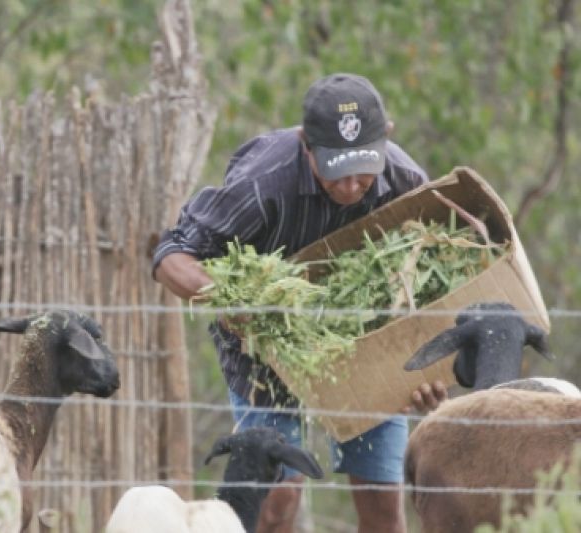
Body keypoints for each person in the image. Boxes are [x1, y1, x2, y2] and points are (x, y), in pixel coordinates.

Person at [152, 73, 448, 533]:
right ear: (305, 144)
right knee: (278, 499)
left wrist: (427, 369)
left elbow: (437, 289)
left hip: (368, 345)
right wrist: (234, 302)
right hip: (265, 351)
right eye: (336, 170)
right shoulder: (262, 184)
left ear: (385, 139)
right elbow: (171, 254)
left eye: (363, 169)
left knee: (383, 505)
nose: (350, 185)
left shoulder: (407, 184)